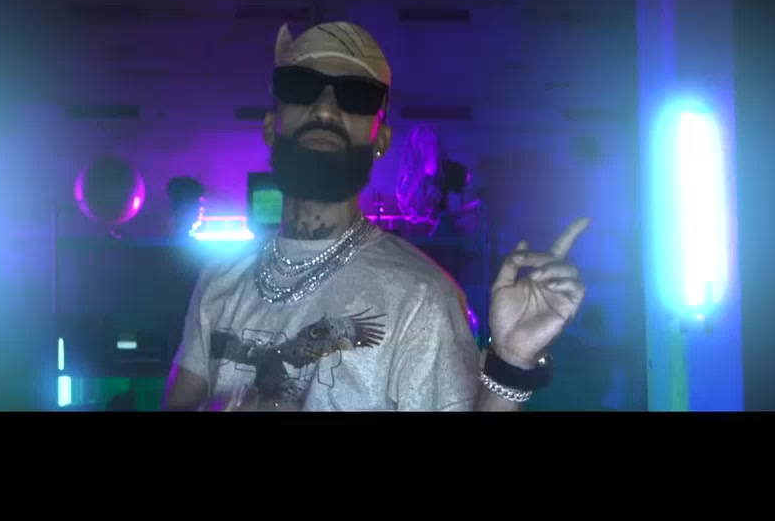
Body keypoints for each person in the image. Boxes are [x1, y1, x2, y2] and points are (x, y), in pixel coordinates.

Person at [163, 22, 587, 411]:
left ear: (381, 139)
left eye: (356, 95)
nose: (325, 109)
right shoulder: (219, 280)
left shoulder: (421, 297)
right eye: (301, 86)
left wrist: (510, 365)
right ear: (272, 126)